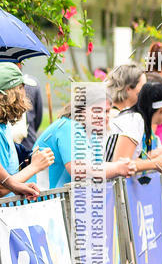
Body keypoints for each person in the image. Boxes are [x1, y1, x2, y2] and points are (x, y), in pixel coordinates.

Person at [33, 83, 135, 190]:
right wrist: (117, 168)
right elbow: (78, 169)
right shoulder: (68, 126)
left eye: (107, 111)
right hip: (38, 200)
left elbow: (96, 170)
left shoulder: (93, 134)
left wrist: (123, 166)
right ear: (81, 111)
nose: (103, 116)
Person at [105, 78, 162, 175]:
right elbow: (120, 164)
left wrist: (158, 155)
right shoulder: (134, 121)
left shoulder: (137, 119)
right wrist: (156, 163)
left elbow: (131, 160)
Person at [0, 63, 53, 197]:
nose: (26, 94)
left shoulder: (4, 126)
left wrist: (20, 186)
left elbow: (7, 180)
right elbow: (1, 188)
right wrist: (34, 167)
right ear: (10, 94)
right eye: (21, 88)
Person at [10, 65, 43, 167]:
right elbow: (38, 116)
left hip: (22, 145)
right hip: (27, 142)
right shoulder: (33, 83)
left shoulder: (32, 83)